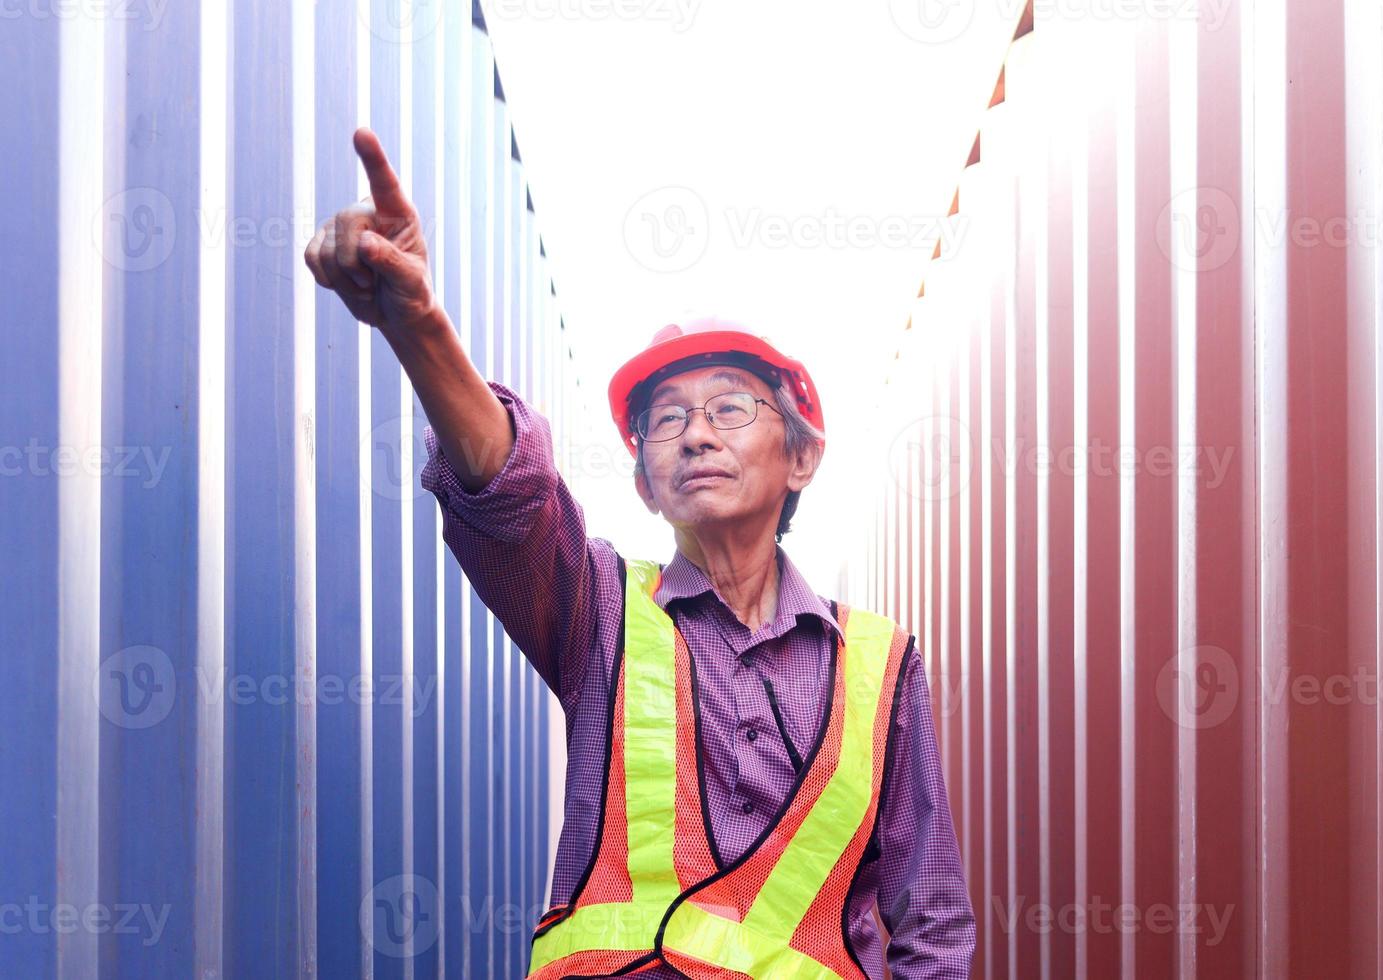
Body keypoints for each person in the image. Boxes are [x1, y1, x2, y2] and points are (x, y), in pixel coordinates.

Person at [305, 127, 975, 978]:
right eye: (667, 418)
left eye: (731, 408)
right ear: (645, 486)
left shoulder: (882, 667)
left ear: (802, 456)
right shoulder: (601, 612)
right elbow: (510, 496)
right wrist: (419, 327)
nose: (696, 433)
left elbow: (933, 925)